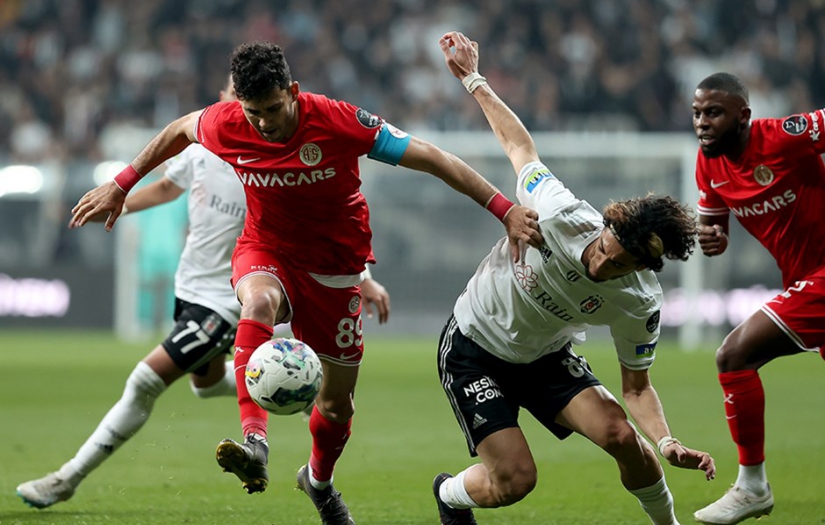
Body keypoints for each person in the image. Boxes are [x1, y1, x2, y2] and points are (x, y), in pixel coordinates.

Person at [69, 42, 542, 525]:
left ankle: (317, 482)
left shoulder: (339, 121)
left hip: (334, 269)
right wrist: (121, 183)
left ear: (293, 92)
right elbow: (178, 130)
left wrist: (504, 210)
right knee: (257, 304)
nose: (264, 123)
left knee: (337, 405)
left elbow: (434, 158)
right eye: (254, 112)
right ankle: (255, 443)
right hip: (266, 249)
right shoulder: (227, 122)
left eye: (273, 109)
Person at [17, 76, 391, 511]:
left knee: (144, 380)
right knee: (204, 383)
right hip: (190, 286)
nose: (250, 115)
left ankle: (65, 479)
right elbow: (165, 188)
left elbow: (314, 227)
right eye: (238, 100)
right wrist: (114, 200)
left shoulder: (270, 160)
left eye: (261, 106)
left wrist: (361, 277)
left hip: (230, 297)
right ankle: (289, 376)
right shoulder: (202, 148)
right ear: (224, 101)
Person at [431, 31, 715, 525]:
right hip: (474, 346)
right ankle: (449, 493)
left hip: (544, 358)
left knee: (623, 435)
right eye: (607, 247)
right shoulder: (560, 212)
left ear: (645, 268)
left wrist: (665, 439)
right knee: (515, 482)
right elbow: (520, 147)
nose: (604, 265)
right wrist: (475, 79)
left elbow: (637, 389)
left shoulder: (639, 302)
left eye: (623, 264)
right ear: (605, 225)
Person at [690, 72, 825, 524]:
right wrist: (712, 237)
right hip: (804, 279)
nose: (702, 122)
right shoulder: (707, 164)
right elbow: (716, 229)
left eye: (713, 113)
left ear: (743, 116)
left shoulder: (783, 138)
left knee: (734, 355)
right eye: (697, 113)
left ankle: (752, 486)